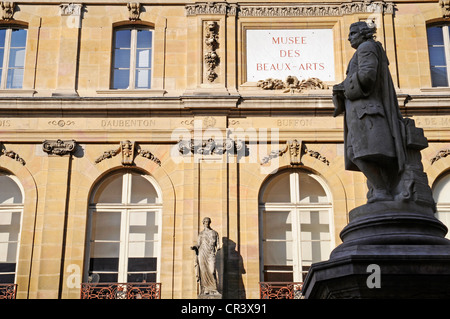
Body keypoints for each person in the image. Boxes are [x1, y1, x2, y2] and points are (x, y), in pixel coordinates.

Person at [333, 21, 408, 203]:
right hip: (363, 113)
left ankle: (382, 190)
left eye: (352, 33)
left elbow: (367, 76)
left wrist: (343, 87)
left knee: (360, 152)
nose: (349, 37)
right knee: (356, 152)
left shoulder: (366, 47)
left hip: (367, 112)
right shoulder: (365, 49)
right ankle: (381, 188)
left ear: (363, 33)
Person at [191, 217, 220, 295]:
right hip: (202, 253)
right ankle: (205, 289)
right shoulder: (201, 234)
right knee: (203, 272)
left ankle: (214, 289)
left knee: (212, 270)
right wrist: (194, 247)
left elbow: (218, 245)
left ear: (209, 223)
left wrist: (218, 247)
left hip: (210, 253)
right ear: (203, 223)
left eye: (208, 221)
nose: (206, 223)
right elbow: (198, 244)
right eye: (205, 222)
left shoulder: (214, 233)